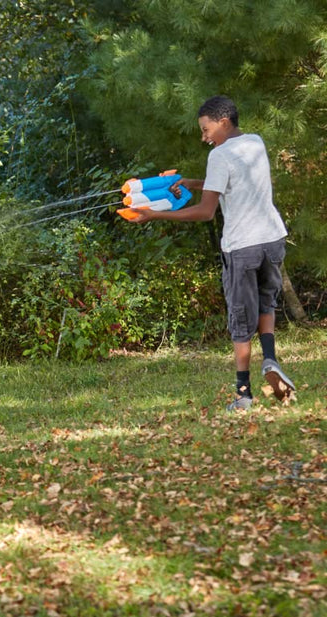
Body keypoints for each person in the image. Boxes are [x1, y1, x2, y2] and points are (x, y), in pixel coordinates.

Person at [125, 95, 295, 412]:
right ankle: (270, 359)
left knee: (240, 319)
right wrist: (191, 182)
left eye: (205, 130)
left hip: (241, 246)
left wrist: (154, 214)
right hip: (272, 239)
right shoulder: (254, 143)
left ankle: (243, 393)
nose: (204, 138)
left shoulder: (219, 155)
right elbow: (233, 183)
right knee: (266, 301)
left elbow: (205, 212)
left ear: (223, 122)